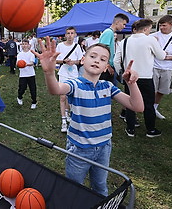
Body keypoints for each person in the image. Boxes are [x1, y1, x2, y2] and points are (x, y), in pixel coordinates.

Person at [33, 37, 144, 196]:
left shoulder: (108, 86)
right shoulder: (74, 84)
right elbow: (55, 90)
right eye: (93, 56)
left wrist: (132, 84)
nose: (97, 60)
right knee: (73, 187)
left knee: (100, 187)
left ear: (106, 67)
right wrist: (49, 72)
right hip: (79, 149)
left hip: (104, 148)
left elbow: (137, 106)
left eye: (103, 59)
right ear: (83, 60)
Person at [114, 19, 169, 138]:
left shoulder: (124, 41)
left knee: (130, 103)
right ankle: (150, 129)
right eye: (149, 29)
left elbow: (116, 60)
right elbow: (161, 56)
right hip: (146, 77)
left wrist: (123, 72)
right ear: (145, 29)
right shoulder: (150, 40)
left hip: (129, 77)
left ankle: (130, 128)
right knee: (149, 104)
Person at [55, 27, 84, 133]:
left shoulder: (77, 47)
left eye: (72, 33)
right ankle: (63, 121)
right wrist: (63, 61)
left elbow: (81, 61)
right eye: (68, 33)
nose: (70, 35)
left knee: (70, 96)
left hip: (73, 74)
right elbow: (55, 60)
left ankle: (67, 113)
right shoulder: (60, 46)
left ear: (75, 35)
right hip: (63, 73)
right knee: (62, 97)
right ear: (65, 35)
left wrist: (74, 62)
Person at [99, 13, 130, 83]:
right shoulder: (108, 32)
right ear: (117, 22)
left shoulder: (111, 33)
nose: (124, 27)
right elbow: (102, 50)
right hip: (106, 68)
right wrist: (108, 66)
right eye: (124, 24)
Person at [16, 39, 37, 109]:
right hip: (23, 75)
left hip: (31, 74)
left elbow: (32, 63)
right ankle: (19, 97)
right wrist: (19, 64)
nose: (24, 45)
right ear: (21, 45)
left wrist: (26, 64)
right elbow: (18, 63)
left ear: (29, 45)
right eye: (23, 44)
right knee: (22, 88)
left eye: (26, 44)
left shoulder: (31, 54)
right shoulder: (19, 54)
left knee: (33, 89)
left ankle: (34, 102)